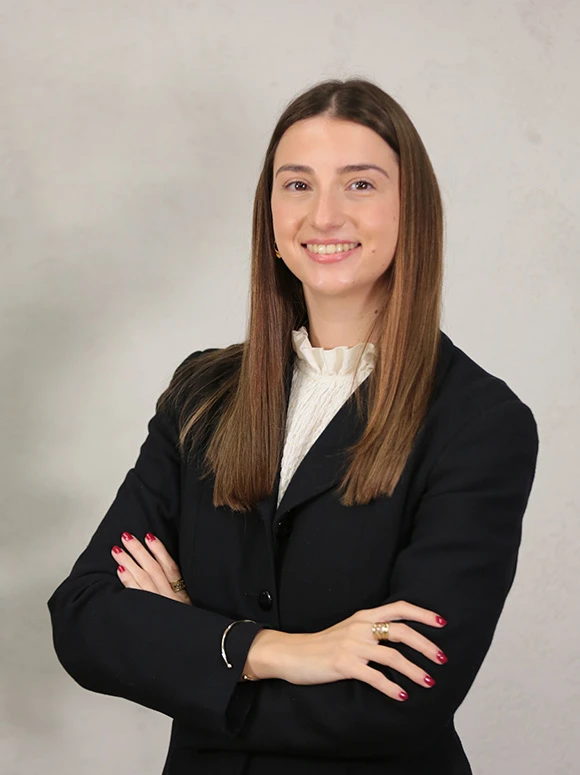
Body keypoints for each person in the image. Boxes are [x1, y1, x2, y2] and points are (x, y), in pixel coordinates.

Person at [47, 77, 539, 774]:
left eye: (360, 184)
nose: (324, 215)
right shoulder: (202, 392)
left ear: (412, 211)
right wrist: (274, 650)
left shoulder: (479, 422)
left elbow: (398, 699)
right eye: (298, 185)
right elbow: (84, 617)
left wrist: (193, 646)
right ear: (270, 215)